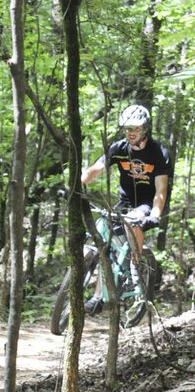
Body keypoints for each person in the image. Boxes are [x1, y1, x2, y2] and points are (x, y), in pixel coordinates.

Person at [81, 104, 172, 314]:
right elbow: (95, 170)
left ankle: (135, 265)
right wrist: (77, 185)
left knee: (133, 221)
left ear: (145, 129)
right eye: (128, 129)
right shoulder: (119, 148)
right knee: (104, 240)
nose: (131, 133)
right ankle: (97, 297)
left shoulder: (159, 153)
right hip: (124, 202)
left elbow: (161, 189)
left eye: (136, 129)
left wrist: (156, 214)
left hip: (146, 204)